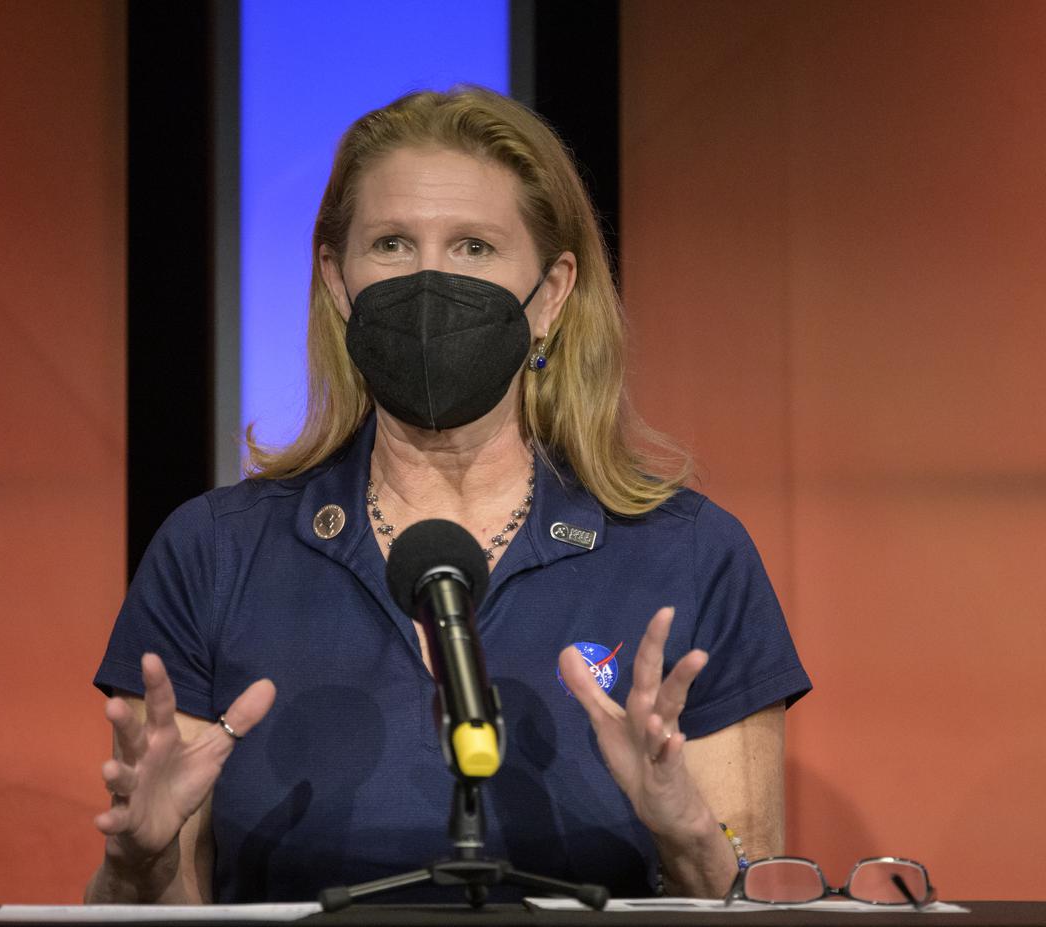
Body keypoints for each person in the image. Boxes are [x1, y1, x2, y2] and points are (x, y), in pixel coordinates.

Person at [86, 86, 810, 905]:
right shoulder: (213, 552)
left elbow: (760, 908)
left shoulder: (692, 555)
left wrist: (686, 835)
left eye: (473, 247)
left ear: (554, 293)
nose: (429, 280)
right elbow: (152, 905)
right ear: (336, 279)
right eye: (392, 243)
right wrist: (138, 865)